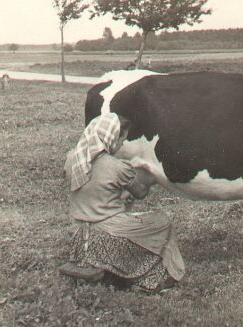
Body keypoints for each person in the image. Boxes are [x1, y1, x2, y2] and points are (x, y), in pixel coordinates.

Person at [60, 112, 185, 293]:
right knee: (161, 222)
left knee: (123, 220)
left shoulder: (73, 159)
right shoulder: (116, 166)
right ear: (110, 138)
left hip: (79, 236)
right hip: (107, 233)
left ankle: (109, 268)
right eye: (120, 140)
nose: (121, 145)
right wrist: (151, 177)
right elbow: (140, 192)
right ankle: (150, 277)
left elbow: (93, 189)